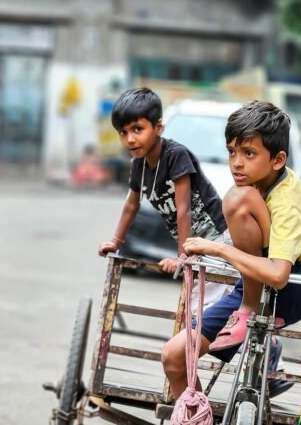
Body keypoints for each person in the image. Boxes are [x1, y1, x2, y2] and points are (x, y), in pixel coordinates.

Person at [161, 100, 301, 399]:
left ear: (277, 160)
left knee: (237, 199)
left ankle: (247, 311)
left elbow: (278, 276)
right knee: (174, 356)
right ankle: (199, 424)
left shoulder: (288, 202)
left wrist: (218, 250)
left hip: (295, 288)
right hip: (253, 284)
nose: (237, 162)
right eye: (232, 152)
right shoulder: (256, 185)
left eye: (248, 153)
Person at [98, 87, 232, 306]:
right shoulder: (139, 165)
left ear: (158, 127)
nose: (130, 139)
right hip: (195, 247)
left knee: (209, 307)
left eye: (137, 129)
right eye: (123, 132)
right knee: (197, 306)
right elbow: (132, 205)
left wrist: (181, 257)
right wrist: (116, 242)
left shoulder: (175, 155)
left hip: (217, 238)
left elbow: (184, 208)